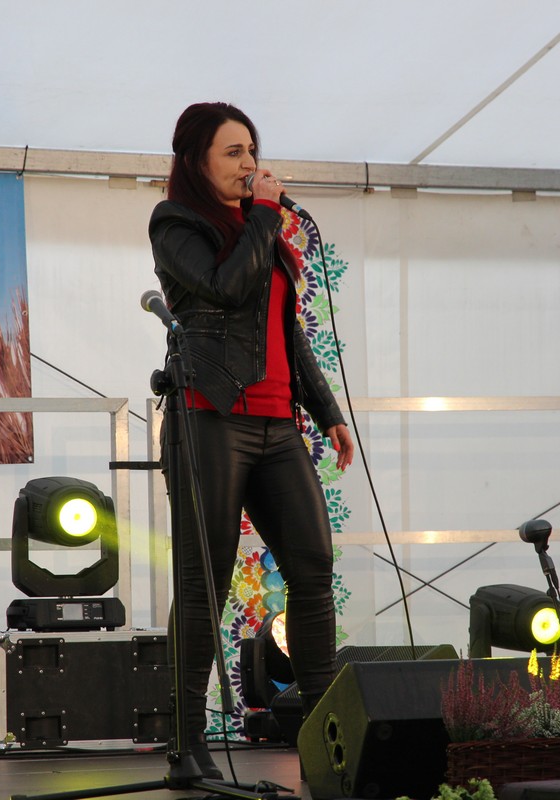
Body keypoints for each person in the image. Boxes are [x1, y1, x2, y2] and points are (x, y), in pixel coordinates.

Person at [149, 101, 354, 779]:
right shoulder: (176, 223)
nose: (249, 164)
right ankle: (187, 743)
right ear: (196, 161)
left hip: (276, 423)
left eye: (252, 151)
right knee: (204, 582)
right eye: (233, 152)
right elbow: (225, 289)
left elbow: (284, 330)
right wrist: (263, 216)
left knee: (313, 567)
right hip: (210, 418)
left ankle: (325, 737)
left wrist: (326, 411)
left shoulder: (258, 231)